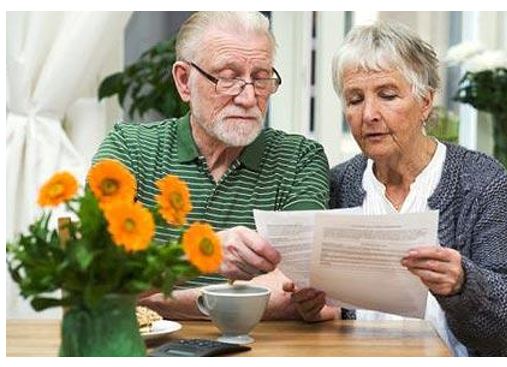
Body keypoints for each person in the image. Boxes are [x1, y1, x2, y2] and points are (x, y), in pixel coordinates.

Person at [287, 21, 507, 356]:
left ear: (426, 102)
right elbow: (333, 316)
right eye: (355, 99)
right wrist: (314, 309)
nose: (369, 114)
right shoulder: (336, 185)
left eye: (387, 95)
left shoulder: (484, 182)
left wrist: (464, 283)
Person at [92, 12, 338, 322]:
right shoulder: (129, 148)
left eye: (261, 77)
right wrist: (199, 255)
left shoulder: (300, 158)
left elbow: (296, 291)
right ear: (184, 81)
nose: (249, 97)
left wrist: (148, 302)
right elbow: (93, 277)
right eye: (228, 77)